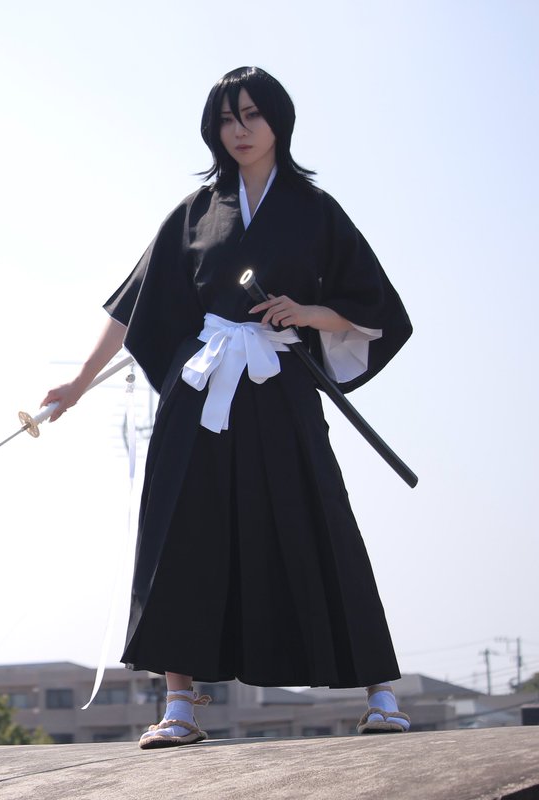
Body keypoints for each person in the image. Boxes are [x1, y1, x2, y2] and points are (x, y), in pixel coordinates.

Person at [43, 66, 412, 749]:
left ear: (278, 121)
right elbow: (132, 307)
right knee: (180, 534)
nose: (238, 130)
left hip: (281, 385)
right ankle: (180, 704)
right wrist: (78, 382)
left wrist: (308, 312)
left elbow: (374, 306)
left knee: (321, 519)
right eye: (225, 118)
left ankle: (381, 693)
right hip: (202, 392)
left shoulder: (315, 210)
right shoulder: (193, 213)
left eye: (251, 115)